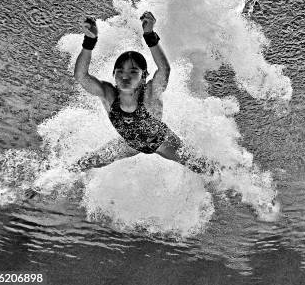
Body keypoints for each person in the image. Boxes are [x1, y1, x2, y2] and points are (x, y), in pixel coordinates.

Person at [71, 11, 213, 173]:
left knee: (201, 166)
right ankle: (52, 182)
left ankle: (231, 180)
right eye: (120, 71)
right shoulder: (108, 94)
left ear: (144, 76)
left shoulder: (150, 94)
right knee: (87, 162)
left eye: (133, 72)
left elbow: (164, 69)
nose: (125, 77)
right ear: (113, 74)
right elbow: (81, 76)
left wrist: (149, 34)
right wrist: (89, 41)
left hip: (161, 142)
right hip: (129, 144)